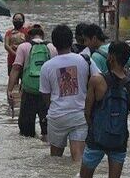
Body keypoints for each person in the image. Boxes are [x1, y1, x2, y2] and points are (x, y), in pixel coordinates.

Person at [80, 41, 130, 178]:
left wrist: (94, 130)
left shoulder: (97, 81)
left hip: (97, 138)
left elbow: (87, 112)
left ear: (111, 57)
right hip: (119, 140)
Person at [40, 25, 101, 160]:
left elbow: (45, 95)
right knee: (78, 158)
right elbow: (98, 80)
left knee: (55, 158)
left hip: (57, 116)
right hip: (80, 115)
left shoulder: (47, 66)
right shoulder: (85, 60)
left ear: (54, 44)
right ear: (71, 40)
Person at [7, 25, 57, 138]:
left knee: (26, 132)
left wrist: (9, 90)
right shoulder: (52, 47)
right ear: (43, 36)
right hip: (47, 93)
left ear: (28, 37)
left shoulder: (24, 47)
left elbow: (16, 68)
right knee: (47, 131)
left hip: (29, 92)